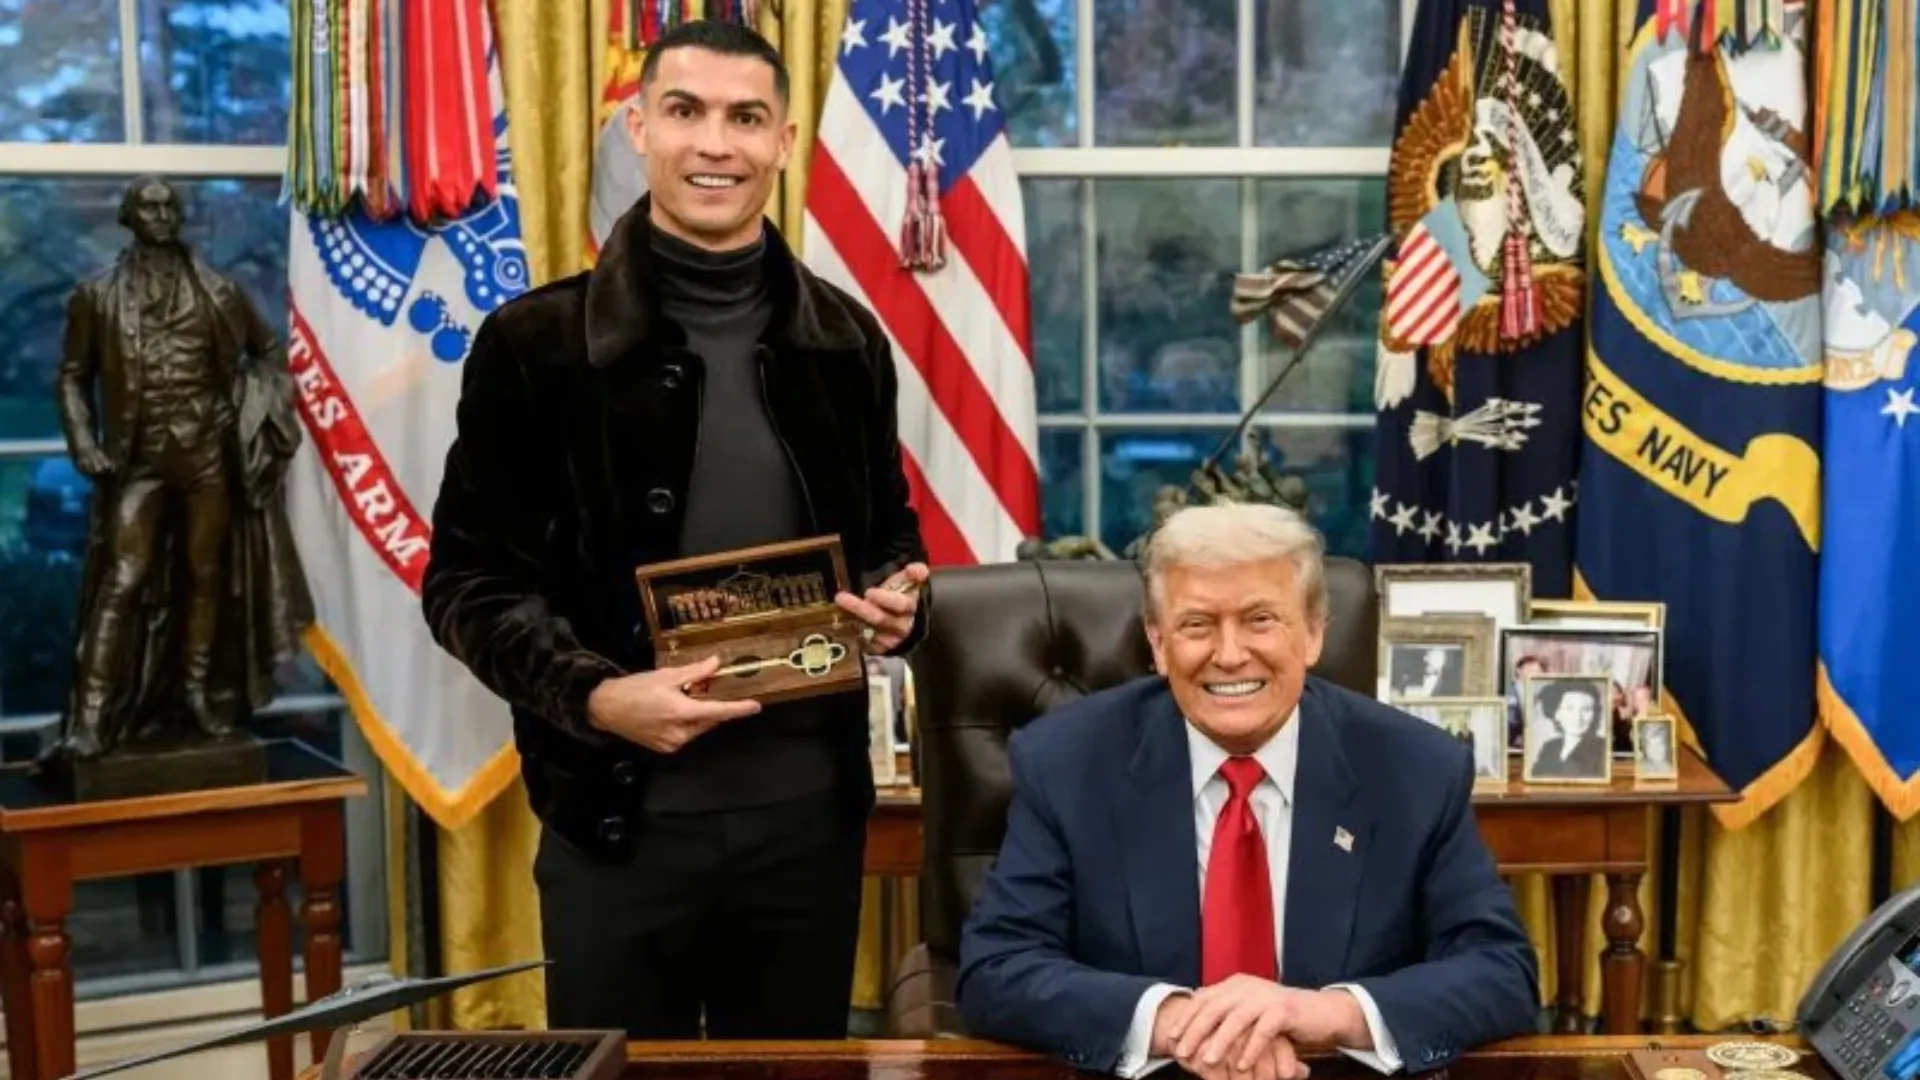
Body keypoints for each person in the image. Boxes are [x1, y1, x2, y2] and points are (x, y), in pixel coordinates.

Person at [420, 19, 929, 1040]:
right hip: (617, 817)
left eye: (746, 118)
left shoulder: (844, 340)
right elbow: (465, 585)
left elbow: (890, 539)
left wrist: (899, 598)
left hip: (808, 827)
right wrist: (597, 697)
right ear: (639, 126)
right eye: (687, 112)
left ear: (785, 141)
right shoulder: (537, 345)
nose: (716, 144)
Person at [955, 503, 1538, 1079]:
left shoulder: (1414, 768)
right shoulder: (1067, 763)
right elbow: (997, 968)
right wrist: (1180, 1023)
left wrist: (1323, 1012)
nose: (1230, 655)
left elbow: (1500, 970)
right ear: (1157, 643)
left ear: (1313, 634)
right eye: (1197, 625)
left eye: (1260, 619)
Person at [56, 175, 313, 757]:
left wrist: (248, 406)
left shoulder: (220, 291)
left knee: (206, 576)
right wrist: (83, 441)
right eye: (149, 205)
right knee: (121, 580)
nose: (162, 214)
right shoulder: (96, 295)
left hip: (206, 456)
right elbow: (72, 375)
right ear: (129, 215)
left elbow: (269, 352)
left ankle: (199, 696)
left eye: (170, 205)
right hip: (138, 460)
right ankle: (90, 720)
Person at [1527, 682, 1608, 779]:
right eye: (1570, 709)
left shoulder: (1602, 748)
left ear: (1595, 714)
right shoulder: (1550, 747)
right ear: (1557, 713)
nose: (1578, 717)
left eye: (1586, 709)